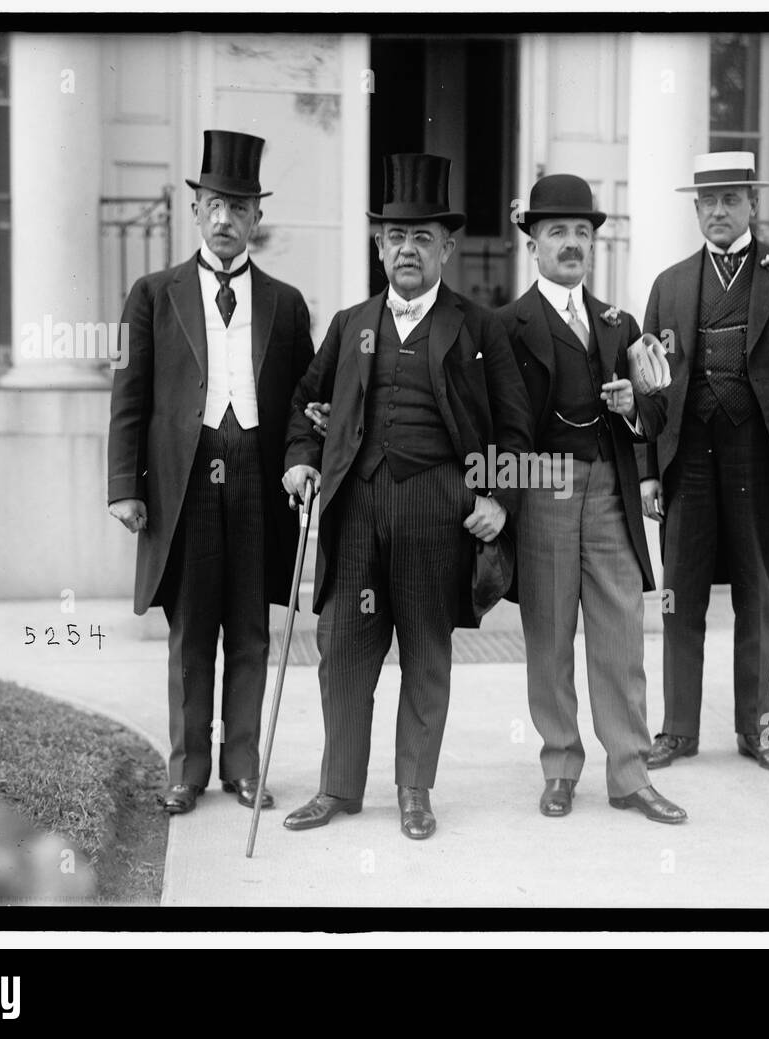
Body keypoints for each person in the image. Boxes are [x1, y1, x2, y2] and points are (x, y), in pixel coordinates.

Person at [280, 153, 532, 840]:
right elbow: (306, 404)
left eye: (423, 237)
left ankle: (415, 791)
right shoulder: (350, 323)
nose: (408, 249)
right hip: (357, 508)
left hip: (437, 508)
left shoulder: (479, 327)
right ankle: (338, 787)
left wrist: (499, 497)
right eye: (396, 237)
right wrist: (301, 462)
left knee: (425, 653)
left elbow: (515, 428)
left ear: (447, 247)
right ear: (379, 246)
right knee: (344, 649)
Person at [107, 130, 314, 814]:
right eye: (215, 205)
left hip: (257, 474)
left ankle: (243, 767)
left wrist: (302, 461)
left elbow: (304, 403)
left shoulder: (286, 303)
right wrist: (124, 487)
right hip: (186, 478)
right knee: (191, 629)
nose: (225, 219)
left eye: (239, 208)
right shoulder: (153, 294)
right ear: (197, 211)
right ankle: (187, 770)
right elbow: (130, 394)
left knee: (250, 628)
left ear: (257, 218)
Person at [496, 174, 686, 825]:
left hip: (610, 489)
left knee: (621, 635)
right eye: (558, 232)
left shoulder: (618, 322)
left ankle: (630, 774)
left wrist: (634, 407)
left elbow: (656, 415)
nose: (572, 243)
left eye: (582, 231)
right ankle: (559, 767)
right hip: (543, 489)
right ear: (534, 244)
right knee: (549, 636)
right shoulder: (506, 326)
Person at [639, 152, 769, 774]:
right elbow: (647, 386)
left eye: (730, 199)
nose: (718, 211)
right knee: (680, 595)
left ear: (753, 203)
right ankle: (678, 730)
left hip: (759, 455)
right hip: (686, 454)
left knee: (756, 593)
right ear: (696, 210)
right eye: (707, 202)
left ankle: (755, 730)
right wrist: (647, 470)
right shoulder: (669, 285)